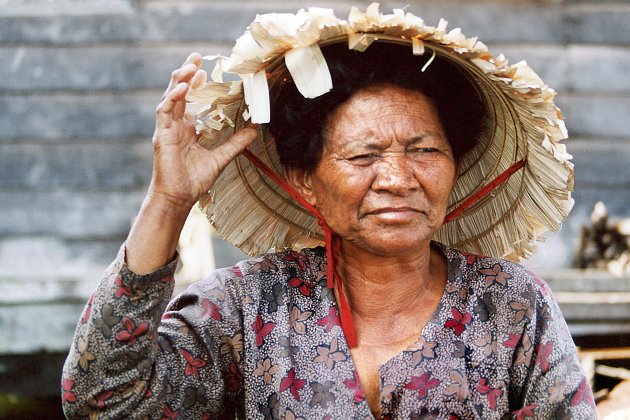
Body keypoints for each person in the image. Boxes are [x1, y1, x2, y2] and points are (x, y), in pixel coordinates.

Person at [62, 5, 596, 419]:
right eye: (363, 156)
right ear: (304, 182)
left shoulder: (512, 307)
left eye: (425, 150)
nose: (397, 178)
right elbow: (103, 403)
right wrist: (170, 200)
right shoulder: (246, 311)